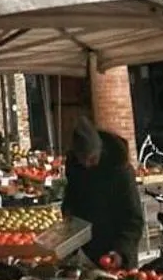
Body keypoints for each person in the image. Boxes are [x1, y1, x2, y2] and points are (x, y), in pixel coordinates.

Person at [62, 113, 145, 269]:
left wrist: (121, 252)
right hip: (87, 253)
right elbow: (71, 200)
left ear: (100, 151)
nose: (87, 164)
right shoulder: (75, 168)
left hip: (118, 252)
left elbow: (134, 220)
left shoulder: (120, 170)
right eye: (82, 160)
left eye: (92, 159)